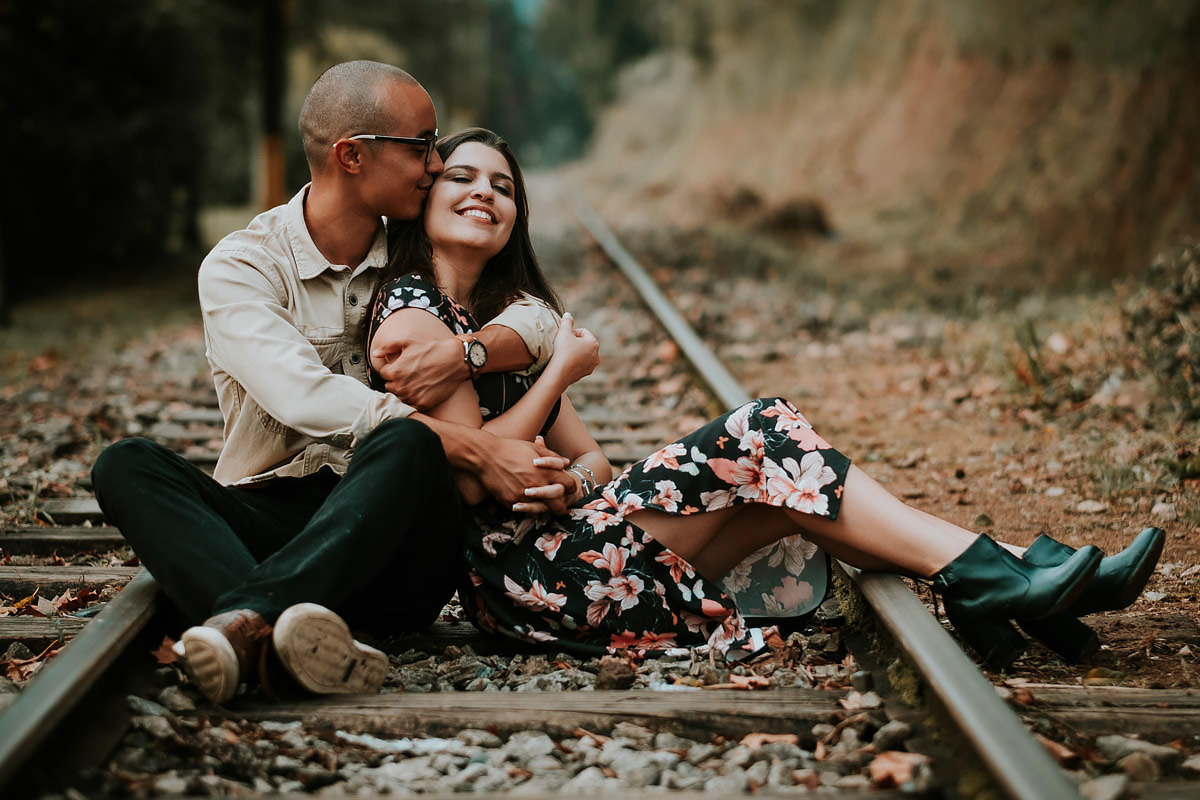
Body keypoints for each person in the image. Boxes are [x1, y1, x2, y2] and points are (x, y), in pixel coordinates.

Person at [368, 127, 1166, 668]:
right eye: (463, 178)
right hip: (533, 580)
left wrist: (570, 480)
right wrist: (559, 375)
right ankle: (994, 578)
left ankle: (1015, 579)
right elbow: (478, 474)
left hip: (579, 547)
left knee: (789, 493)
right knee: (763, 429)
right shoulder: (416, 307)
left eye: (503, 186)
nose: (485, 194)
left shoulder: (508, 316)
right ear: (428, 201)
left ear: (517, 216)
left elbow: (592, 460)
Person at [89, 62, 576, 706]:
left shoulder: (414, 244)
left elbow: (535, 312)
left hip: (397, 542)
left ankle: (241, 623)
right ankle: (285, 642)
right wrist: (481, 450)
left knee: (404, 445)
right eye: (420, 146)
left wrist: (471, 353)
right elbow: (301, 397)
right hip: (271, 519)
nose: (435, 165)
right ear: (352, 155)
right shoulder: (244, 266)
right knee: (126, 464)